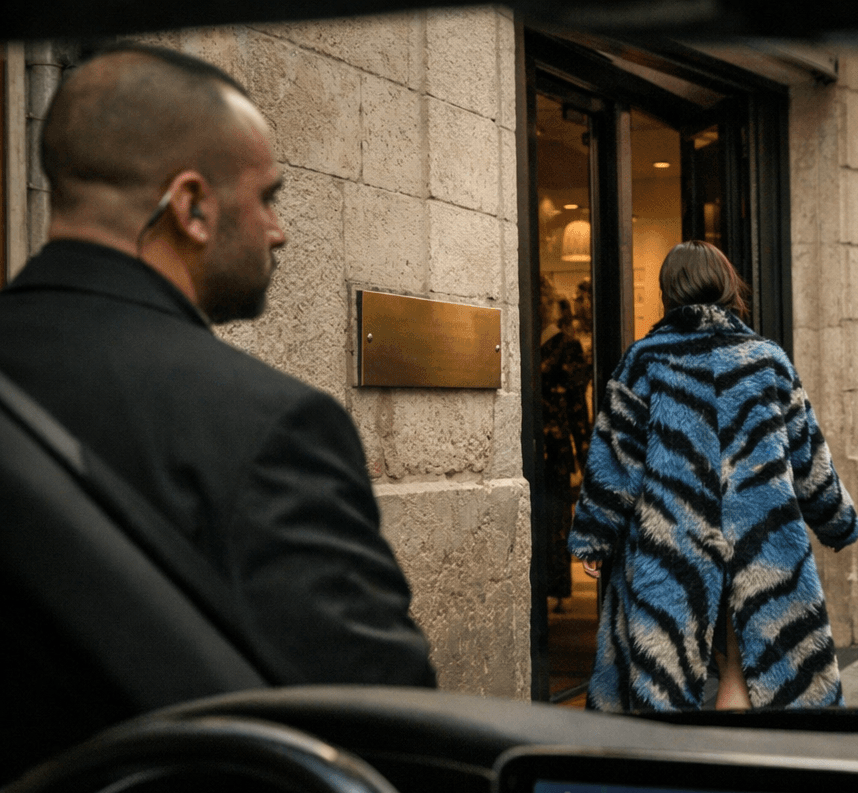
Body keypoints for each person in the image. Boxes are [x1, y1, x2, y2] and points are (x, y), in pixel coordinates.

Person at [0, 44, 435, 691]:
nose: (277, 229)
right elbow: (383, 717)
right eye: (267, 198)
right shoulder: (274, 429)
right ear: (192, 207)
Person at [569, 241, 858, 712]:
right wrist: (836, 521)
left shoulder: (645, 360)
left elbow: (616, 456)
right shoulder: (767, 359)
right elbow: (808, 457)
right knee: (745, 669)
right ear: (729, 288)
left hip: (673, 547)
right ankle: (740, 773)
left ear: (669, 292)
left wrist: (594, 535)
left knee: (664, 681)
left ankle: (682, 775)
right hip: (760, 544)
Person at [539, 280, 592, 610]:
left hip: (556, 445)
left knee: (557, 518)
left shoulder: (567, 346)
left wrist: (584, 455)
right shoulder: (528, 342)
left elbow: (576, 406)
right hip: (534, 443)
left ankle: (558, 589)